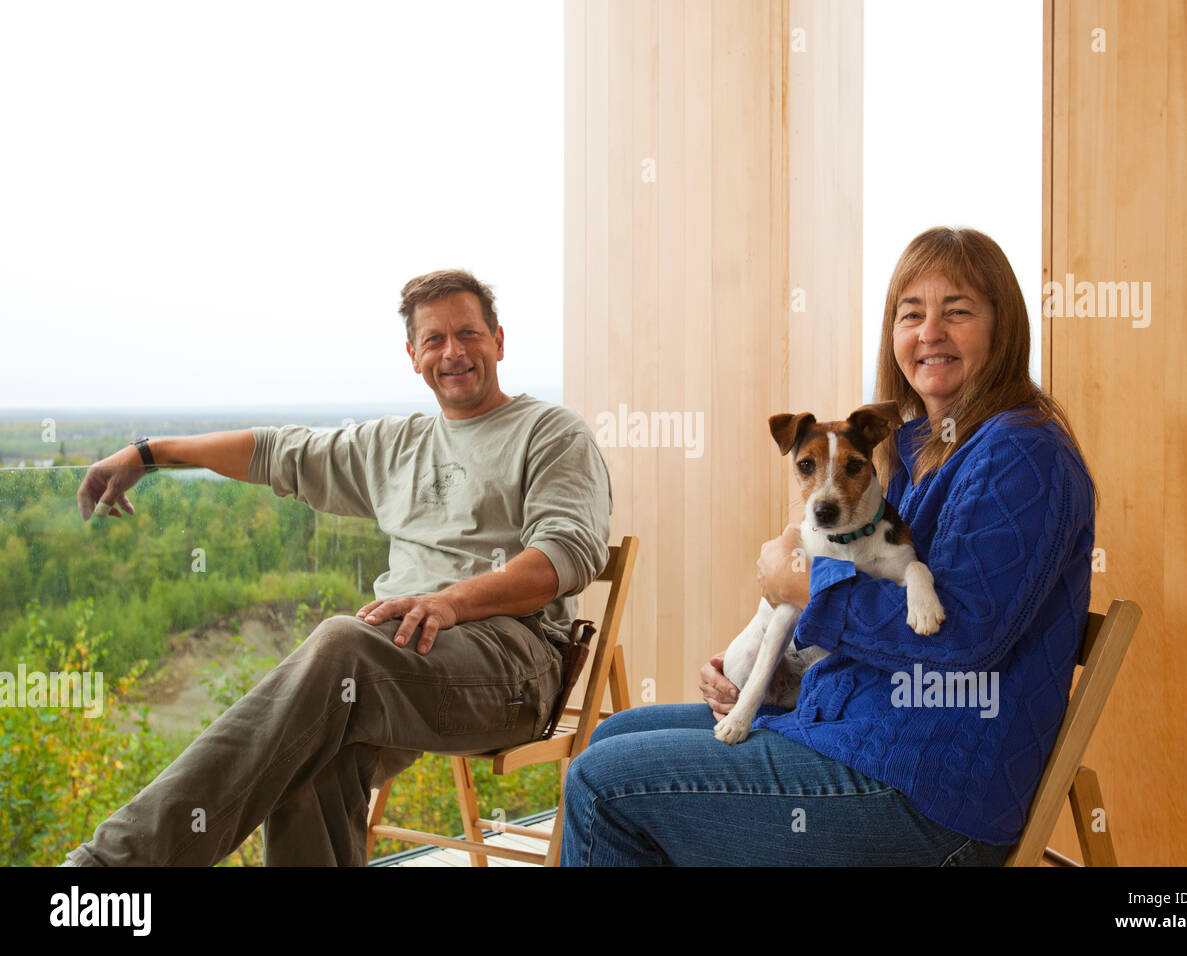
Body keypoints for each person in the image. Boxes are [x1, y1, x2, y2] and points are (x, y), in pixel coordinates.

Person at [560, 227, 1099, 866]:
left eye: (958, 310)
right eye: (911, 313)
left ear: (1003, 327)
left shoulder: (1021, 454)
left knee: (602, 783)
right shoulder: (930, 447)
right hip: (870, 731)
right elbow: (883, 624)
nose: (930, 331)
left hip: (930, 792)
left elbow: (965, 641)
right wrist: (769, 662)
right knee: (615, 734)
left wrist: (804, 589)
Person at [62, 269, 612, 866]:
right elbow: (276, 451)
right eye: (433, 340)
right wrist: (152, 453)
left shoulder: (551, 433)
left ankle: (108, 868)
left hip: (512, 667)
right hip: (401, 662)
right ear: (413, 356)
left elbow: (567, 553)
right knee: (311, 756)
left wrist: (449, 601)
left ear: (499, 341)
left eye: (468, 334)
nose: (452, 352)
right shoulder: (395, 445)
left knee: (342, 645)